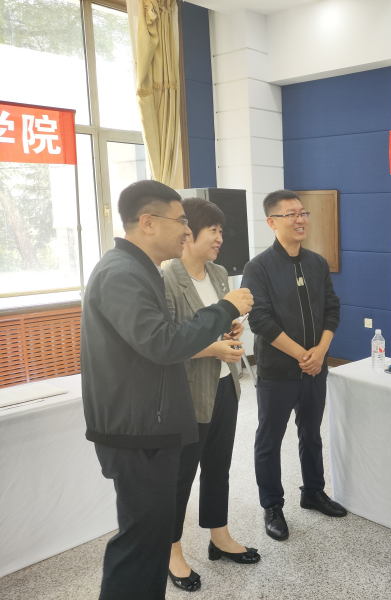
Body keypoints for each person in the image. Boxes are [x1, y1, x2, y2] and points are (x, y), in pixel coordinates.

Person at [81, 181, 253, 600]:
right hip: (136, 431)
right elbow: (163, 343)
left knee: (149, 538)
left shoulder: (136, 270)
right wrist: (225, 308)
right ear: (147, 222)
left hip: (148, 423)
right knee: (140, 543)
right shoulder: (123, 274)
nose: (186, 231)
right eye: (180, 221)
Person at [163, 198, 260, 593]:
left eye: (221, 231)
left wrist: (232, 332)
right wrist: (213, 348)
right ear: (188, 234)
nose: (220, 238)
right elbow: (168, 343)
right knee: (181, 475)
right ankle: (171, 551)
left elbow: (223, 319)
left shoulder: (219, 274)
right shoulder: (168, 279)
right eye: (213, 231)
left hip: (225, 384)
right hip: (188, 391)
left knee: (218, 466)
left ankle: (219, 535)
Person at [241, 189, 346, 543]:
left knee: (311, 433)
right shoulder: (258, 268)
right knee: (269, 440)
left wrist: (321, 351)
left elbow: (332, 307)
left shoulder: (316, 263)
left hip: (316, 368)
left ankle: (313, 492)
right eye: (291, 214)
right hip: (278, 372)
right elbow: (260, 320)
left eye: (303, 213)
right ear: (272, 222)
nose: (300, 219)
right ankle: (272, 506)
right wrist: (303, 355)